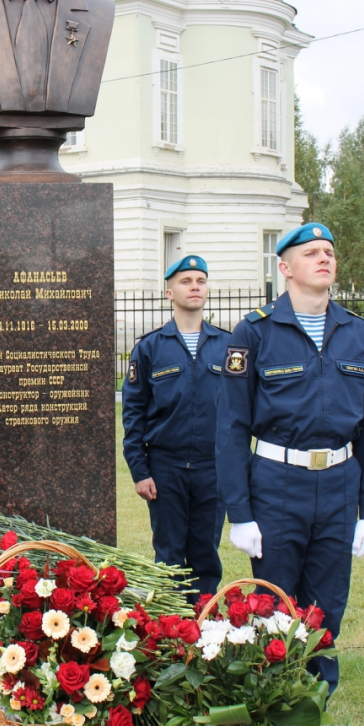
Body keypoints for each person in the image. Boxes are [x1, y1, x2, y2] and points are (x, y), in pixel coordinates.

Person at [216, 222, 364, 726]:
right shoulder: (255, 332)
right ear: (284, 267)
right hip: (276, 486)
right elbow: (231, 429)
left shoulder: (356, 333)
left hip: (338, 485)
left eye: (329, 252)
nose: (324, 259)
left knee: (325, 615)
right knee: (275, 613)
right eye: (311, 252)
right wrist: (240, 513)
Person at [122, 255, 230, 597]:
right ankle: (170, 624)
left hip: (212, 469)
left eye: (200, 280)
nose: (194, 287)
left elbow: (241, 412)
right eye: (185, 281)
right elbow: (133, 413)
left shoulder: (228, 347)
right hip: (165, 469)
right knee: (168, 556)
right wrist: (140, 471)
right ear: (169, 292)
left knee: (206, 555)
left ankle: (202, 621)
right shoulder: (149, 348)